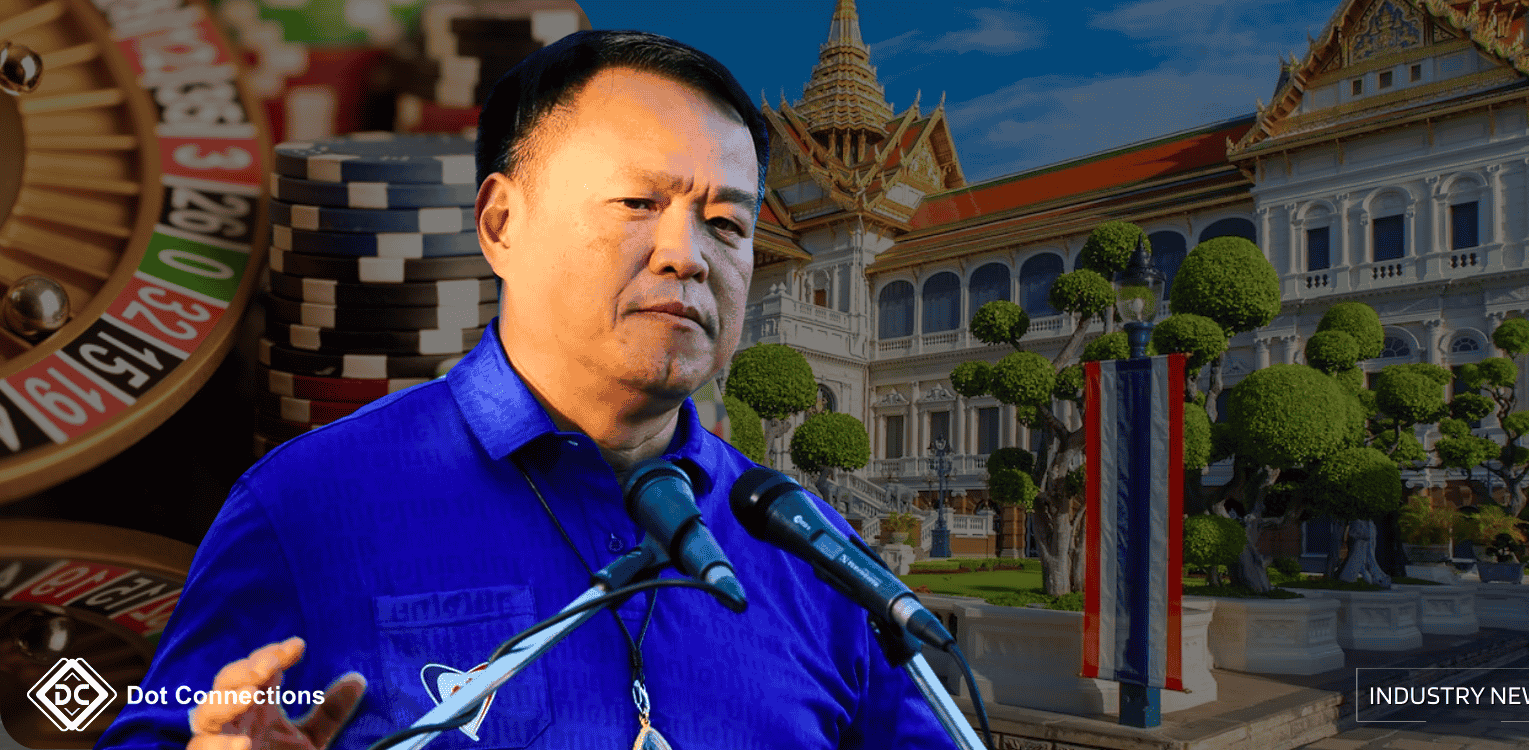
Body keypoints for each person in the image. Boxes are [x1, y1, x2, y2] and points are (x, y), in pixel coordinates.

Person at [95, 30, 957, 750]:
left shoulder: (814, 556)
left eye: (727, 224)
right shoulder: (307, 506)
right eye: (635, 202)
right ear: (502, 223)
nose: (687, 255)